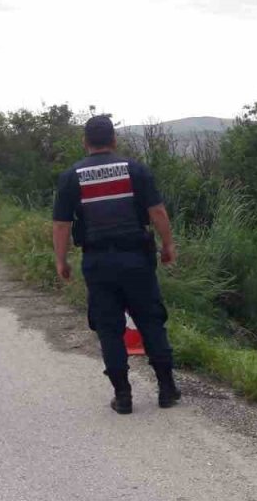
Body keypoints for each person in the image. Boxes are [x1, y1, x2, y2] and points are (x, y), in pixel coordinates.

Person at [51, 115, 181, 414]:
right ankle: (167, 389)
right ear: (113, 139)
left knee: (109, 328)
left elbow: (61, 225)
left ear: (85, 142)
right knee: (150, 320)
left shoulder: (71, 176)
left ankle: (123, 397)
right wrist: (168, 246)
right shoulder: (135, 170)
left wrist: (61, 260)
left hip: (98, 262)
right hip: (137, 259)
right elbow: (157, 212)